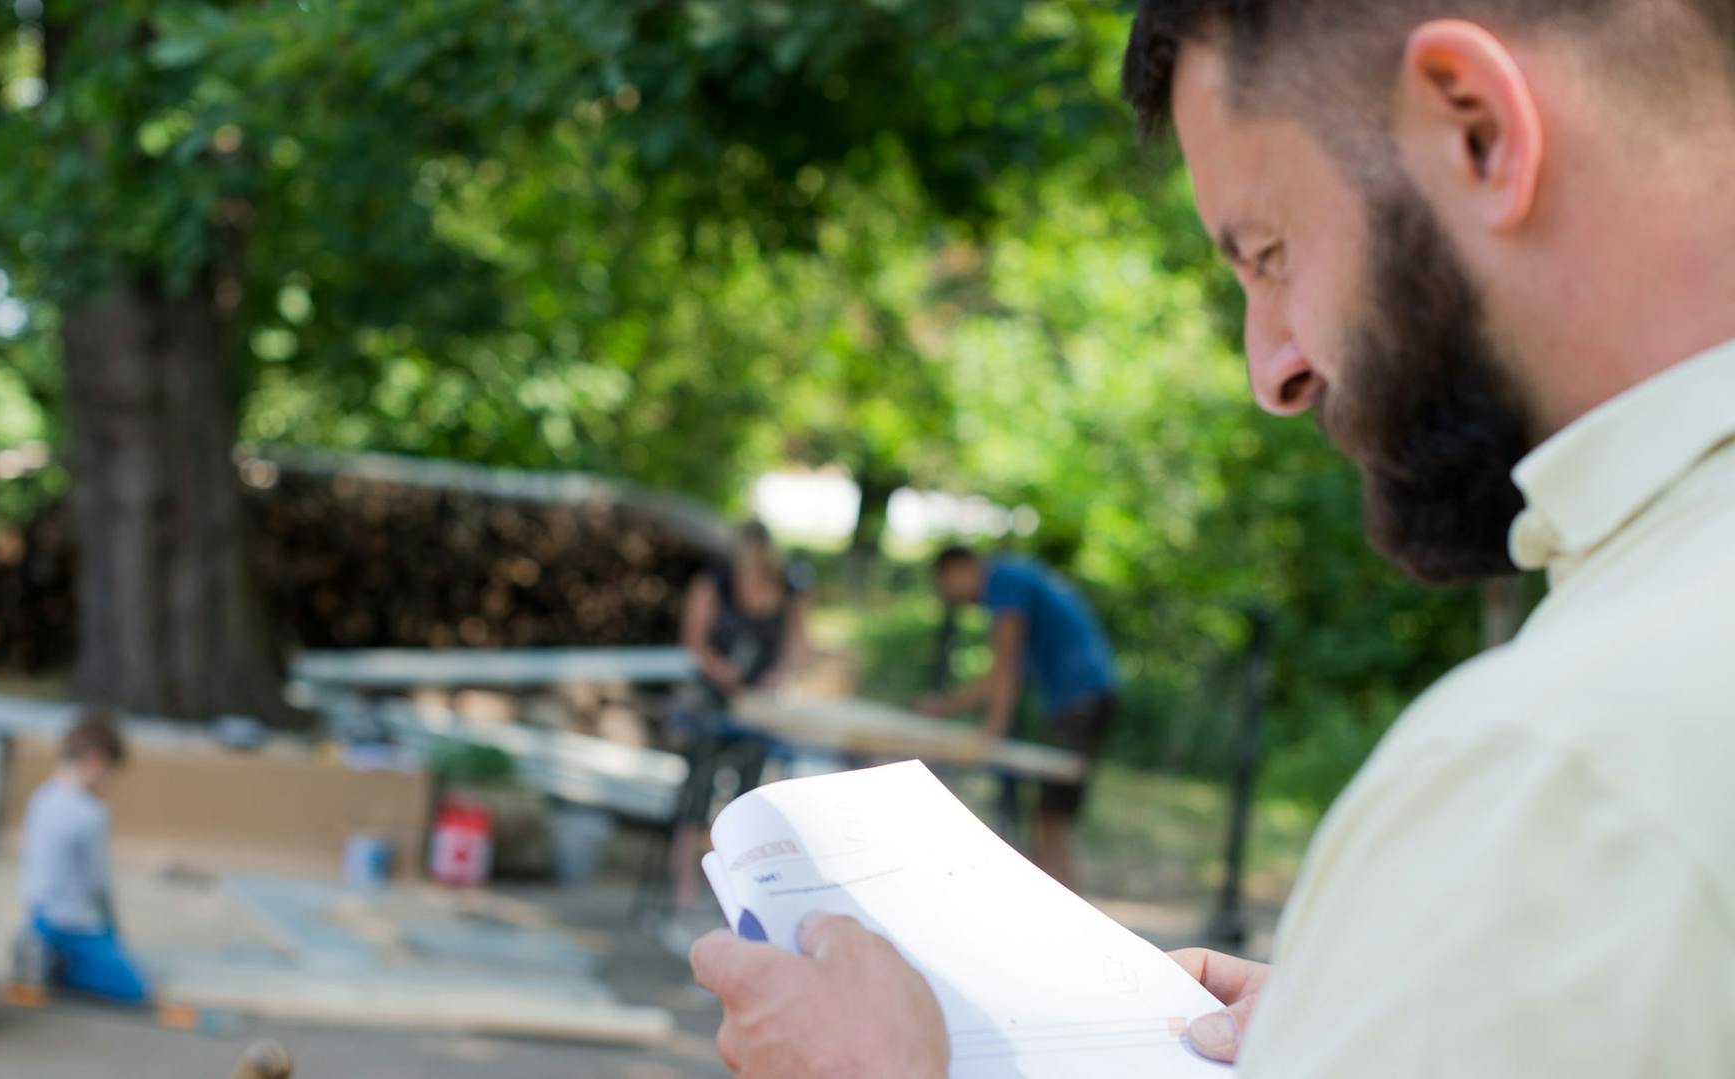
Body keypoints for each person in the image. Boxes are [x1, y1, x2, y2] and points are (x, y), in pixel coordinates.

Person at [688, 0, 1735, 1074]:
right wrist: (1375, 1022)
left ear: (1478, 130)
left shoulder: (1555, 776)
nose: (1271, 371)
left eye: (1271, 252)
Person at [915, 545, 1118, 890]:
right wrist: (948, 706)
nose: (950, 596)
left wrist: (991, 736)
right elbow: (1002, 675)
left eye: (945, 583)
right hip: (1081, 701)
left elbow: (1005, 668)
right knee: (1047, 821)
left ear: (959, 568)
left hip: (1082, 702)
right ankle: (1054, 905)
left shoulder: (1004, 582)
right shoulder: (1013, 578)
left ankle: (1068, 913)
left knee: (1052, 823)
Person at [665, 521, 813, 911]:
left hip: (758, 704)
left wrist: (776, 677)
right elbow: (694, 639)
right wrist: (721, 672)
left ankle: (741, 887)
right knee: (697, 789)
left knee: (749, 796)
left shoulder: (788, 586)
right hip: (713, 698)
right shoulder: (716, 579)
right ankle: (684, 883)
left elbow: (800, 646)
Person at [19, 710, 147, 1004]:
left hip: (39, 916)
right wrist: (113, 930)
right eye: (110, 774)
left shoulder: (42, 797)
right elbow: (96, 884)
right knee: (134, 988)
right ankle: (60, 967)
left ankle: (40, 953)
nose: (110, 784)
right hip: (74, 923)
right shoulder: (91, 813)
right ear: (95, 762)